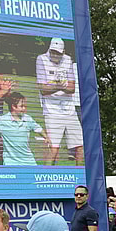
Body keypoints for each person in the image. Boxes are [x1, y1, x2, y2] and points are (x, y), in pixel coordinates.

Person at [35, 38, 84, 166]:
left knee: (80, 146)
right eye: (53, 52)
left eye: (58, 53)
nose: (55, 55)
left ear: (63, 52)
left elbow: (72, 88)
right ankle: (48, 177)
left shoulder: (68, 60)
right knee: (53, 148)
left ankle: (80, 178)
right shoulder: (41, 59)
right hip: (52, 111)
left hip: (69, 110)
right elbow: (42, 89)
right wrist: (61, 86)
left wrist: (54, 86)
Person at [0, 92, 50, 166]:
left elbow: (38, 128)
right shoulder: (3, 120)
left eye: (25, 106)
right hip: (10, 162)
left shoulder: (27, 119)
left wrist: (46, 137)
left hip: (28, 161)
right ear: (13, 107)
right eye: (21, 106)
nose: (24, 109)